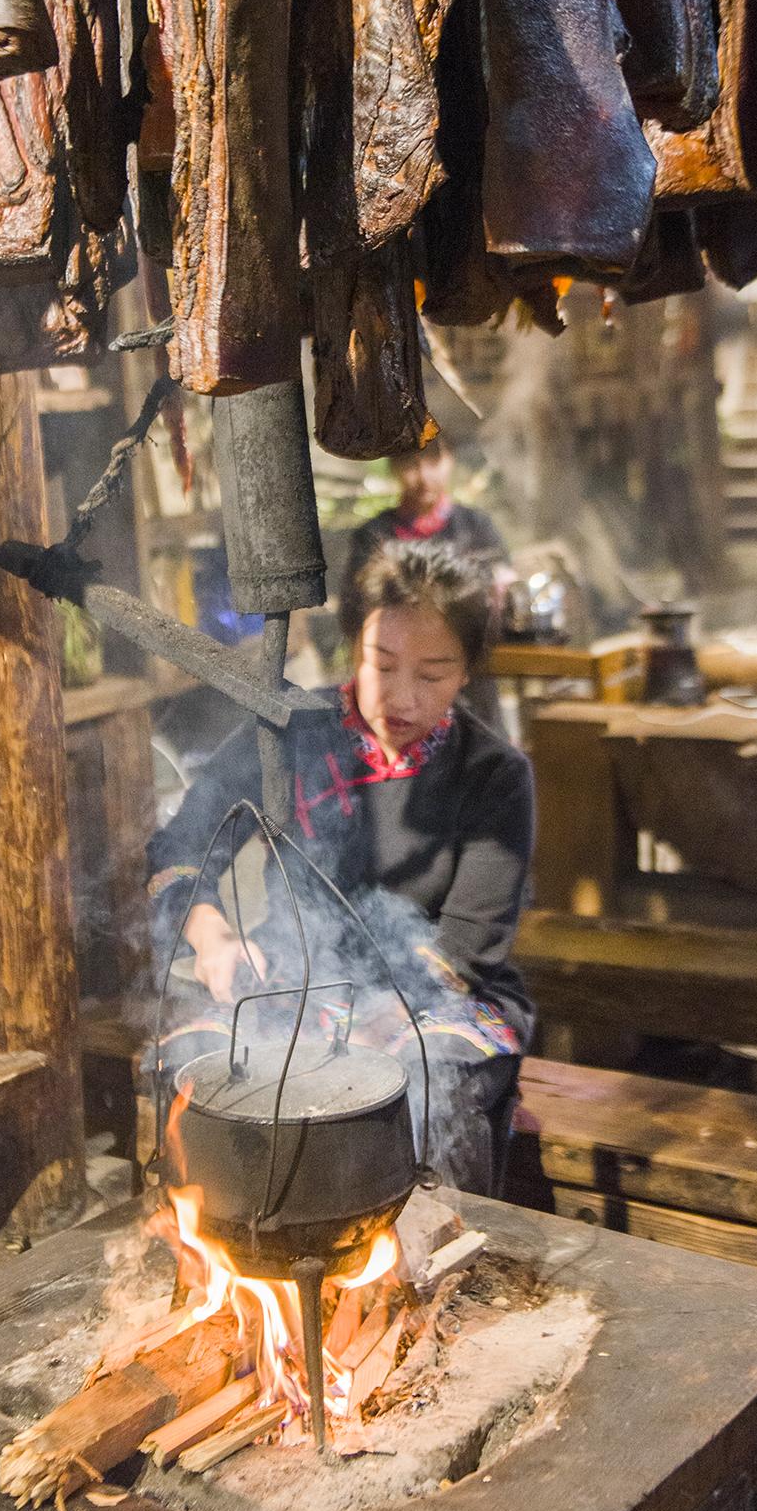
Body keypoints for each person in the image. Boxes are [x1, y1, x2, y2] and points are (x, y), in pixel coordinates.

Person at [145, 543, 535, 1197]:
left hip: (439, 999)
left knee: (426, 1079)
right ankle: (221, 1259)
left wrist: (377, 1017)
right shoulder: (289, 734)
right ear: (351, 647)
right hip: (290, 985)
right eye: (381, 666)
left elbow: (467, 944)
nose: (402, 698)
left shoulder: (493, 773)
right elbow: (181, 844)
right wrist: (211, 936)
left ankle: (433, 1261)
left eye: (433, 674)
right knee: (195, 1066)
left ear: (466, 672)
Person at [341, 437, 509, 727]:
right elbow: (352, 614)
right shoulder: (373, 536)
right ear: (393, 467)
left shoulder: (477, 528)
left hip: (474, 693)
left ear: (450, 460)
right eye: (410, 463)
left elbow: (499, 600)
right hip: (395, 696)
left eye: (433, 461)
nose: (424, 476)